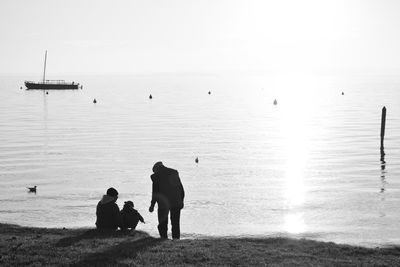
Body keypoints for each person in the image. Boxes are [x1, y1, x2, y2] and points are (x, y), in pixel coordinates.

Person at [149, 161, 185, 239]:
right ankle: (176, 239)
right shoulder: (174, 172)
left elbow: (155, 192)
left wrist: (152, 205)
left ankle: (164, 238)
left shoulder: (156, 176)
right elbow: (181, 188)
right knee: (175, 223)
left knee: (162, 222)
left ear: (156, 169)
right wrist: (182, 201)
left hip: (163, 203)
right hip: (176, 201)